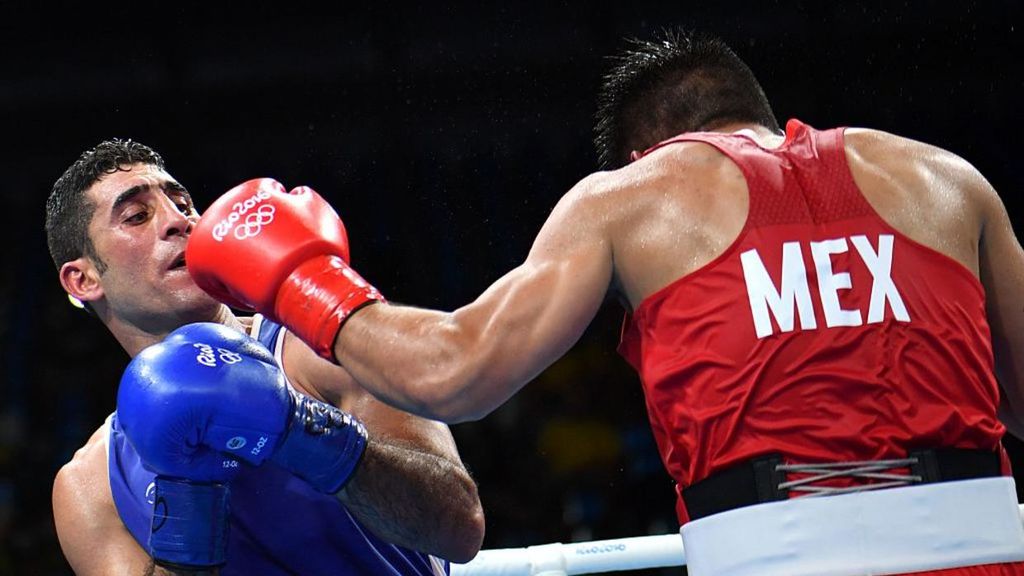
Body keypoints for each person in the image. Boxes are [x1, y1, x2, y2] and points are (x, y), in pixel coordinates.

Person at [186, 28, 1024, 575]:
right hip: (986, 549)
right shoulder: (948, 181)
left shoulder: (634, 196)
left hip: (778, 554)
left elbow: (453, 372)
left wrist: (298, 279)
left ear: (640, 154)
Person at [46, 139, 486, 576]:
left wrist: (298, 428)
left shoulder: (326, 345)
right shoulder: (91, 486)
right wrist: (189, 500)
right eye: (137, 216)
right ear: (83, 280)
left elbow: (459, 527)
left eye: (183, 204)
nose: (180, 221)